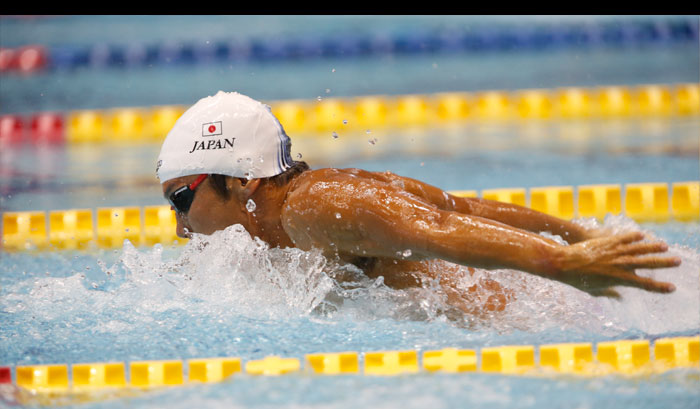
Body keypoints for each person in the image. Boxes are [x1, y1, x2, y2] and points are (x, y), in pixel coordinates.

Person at [156, 91, 680, 314]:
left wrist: (565, 262)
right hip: (537, 313)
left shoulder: (315, 207)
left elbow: (438, 229)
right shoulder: (322, 198)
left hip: (520, 329)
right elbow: (464, 208)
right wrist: (579, 235)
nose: (180, 227)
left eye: (182, 199)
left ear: (243, 179)